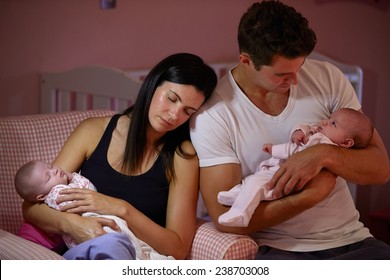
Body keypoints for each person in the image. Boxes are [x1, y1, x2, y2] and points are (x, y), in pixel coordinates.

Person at [190, 0, 390, 259]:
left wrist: (322, 156)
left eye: (300, 67)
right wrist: (308, 197)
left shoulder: (328, 78)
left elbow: (380, 168)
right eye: (283, 74)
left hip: (353, 239)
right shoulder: (214, 116)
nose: (295, 80)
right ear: (246, 61)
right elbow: (225, 219)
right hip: (278, 250)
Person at [22, 53, 217, 260]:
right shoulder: (92, 131)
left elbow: (177, 248)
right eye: (171, 98)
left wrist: (121, 208)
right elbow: (32, 206)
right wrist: (74, 225)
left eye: (188, 111)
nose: (174, 115)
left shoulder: (182, 156)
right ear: (152, 85)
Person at [218, 108, 374, 227]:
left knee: (257, 186)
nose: (325, 121)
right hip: (276, 172)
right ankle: (236, 196)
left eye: (333, 123)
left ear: (346, 143)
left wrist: (274, 149)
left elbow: (295, 150)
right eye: (330, 118)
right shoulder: (320, 136)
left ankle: (240, 214)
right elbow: (307, 127)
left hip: (284, 180)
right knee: (252, 183)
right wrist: (299, 131)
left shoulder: (324, 144)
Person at [15, 160, 173, 259]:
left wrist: (71, 177)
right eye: (48, 176)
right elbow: (87, 188)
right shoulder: (55, 196)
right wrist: (73, 177)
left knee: (132, 241)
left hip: (104, 220)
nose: (54, 170)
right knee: (126, 244)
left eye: (50, 167)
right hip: (92, 227)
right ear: (41, 197)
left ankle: (150, 259)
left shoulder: (62, 186)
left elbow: (89, 189)